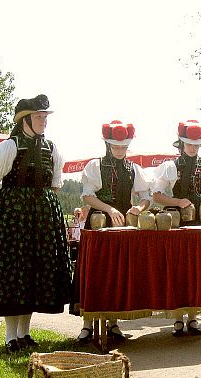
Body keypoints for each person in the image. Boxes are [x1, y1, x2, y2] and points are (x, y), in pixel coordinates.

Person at [0, 94, 72, 353]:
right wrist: (8, 212)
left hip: (42, 220)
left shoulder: (52, 149)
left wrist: (42, 212)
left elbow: (54, 186)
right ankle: (11, 336)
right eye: (38, 117)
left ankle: (25, 333)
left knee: (34, 274)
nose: (43, 121)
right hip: (12, 221)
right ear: (24, 120)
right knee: (14, 273)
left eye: (45, 117)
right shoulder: (8, 147)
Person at [75, 120, 151, 344]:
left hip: (123, 226)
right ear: (108, 145)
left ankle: (113, 323)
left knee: (118, 272)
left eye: (124, 147)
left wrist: (138, 207)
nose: (120, 151)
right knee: (95, 272)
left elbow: (145, 197)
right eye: (116, 147)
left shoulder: (133, 168)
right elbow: (88, 196)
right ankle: (87, 324)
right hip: (98, 224)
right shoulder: (94, 166)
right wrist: (108, 208)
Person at [151, 119, 201, 336]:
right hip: (178, 225)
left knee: (199, 270)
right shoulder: (170, 167)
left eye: (197, 145)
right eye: (189, 144)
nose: (193, 148)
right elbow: (157, 196)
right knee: (178, 271)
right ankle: (177, 318)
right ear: (181, 143)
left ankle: (194, 317)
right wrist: (178, 201)